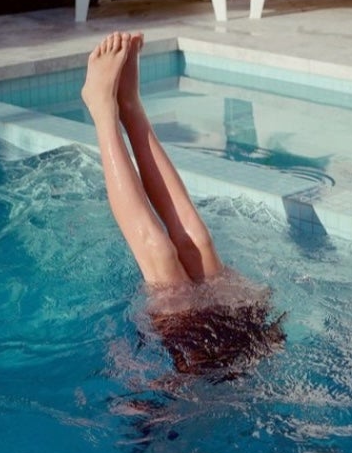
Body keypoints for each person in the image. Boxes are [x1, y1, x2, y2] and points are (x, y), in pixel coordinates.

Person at [79, 31, 284, 377]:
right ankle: (130, 106)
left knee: (158, 253)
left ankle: (103, 110)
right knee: (198, 241)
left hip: (209, 365)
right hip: (246, 342)